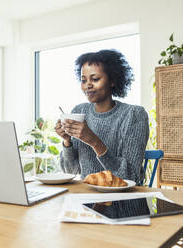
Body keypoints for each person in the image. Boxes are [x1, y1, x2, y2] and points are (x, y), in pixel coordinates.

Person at [55, 49, 149, 184]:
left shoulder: (134, 115)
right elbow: (70, 171)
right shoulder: (79, 111)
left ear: (112, 80)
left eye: (95, 79)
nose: (87, 85)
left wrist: (94, 141)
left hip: (122, 203)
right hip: (86, 200)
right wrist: (67, 141)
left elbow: (130, 177)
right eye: (83, 80)